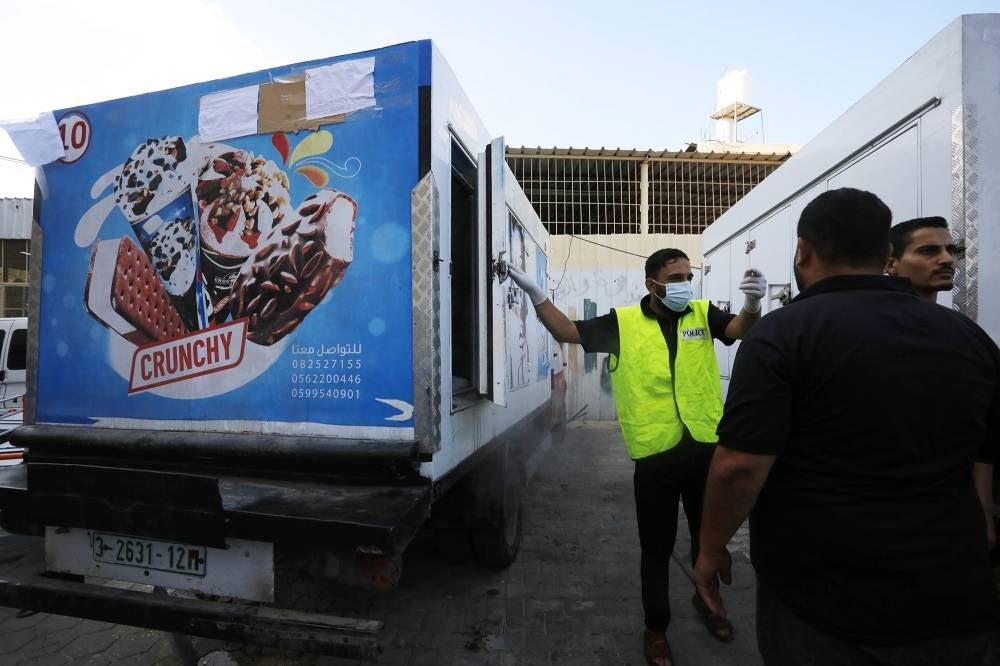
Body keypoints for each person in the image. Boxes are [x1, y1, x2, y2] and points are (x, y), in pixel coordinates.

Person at [693, 188, 999, 666]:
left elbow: (739, 469)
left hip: (824, 602)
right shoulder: (968, 337)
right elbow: (986, 449)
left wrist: (709, 551)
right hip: (952, 591)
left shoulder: (783, 334)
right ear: (885, 256)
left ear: (803, 251)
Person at [507, 249, 766, 666]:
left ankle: (710, 601)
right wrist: (537, 294)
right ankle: (656, 628)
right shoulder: (622, 324)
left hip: (704, 450)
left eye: (689, 275)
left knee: (710, 540)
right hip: (656, 457)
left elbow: (738, 328)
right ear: (652, 284)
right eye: (676, 277)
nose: (685, 283)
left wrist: (754, 304)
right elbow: (567, 330)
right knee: (656, 549)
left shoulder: (702, 313)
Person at [885, 215, 963, 301]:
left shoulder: (946, 314)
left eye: (951, 251)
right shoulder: (873, 312)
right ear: (890, 265)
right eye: (928, 251)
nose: (948, 259)